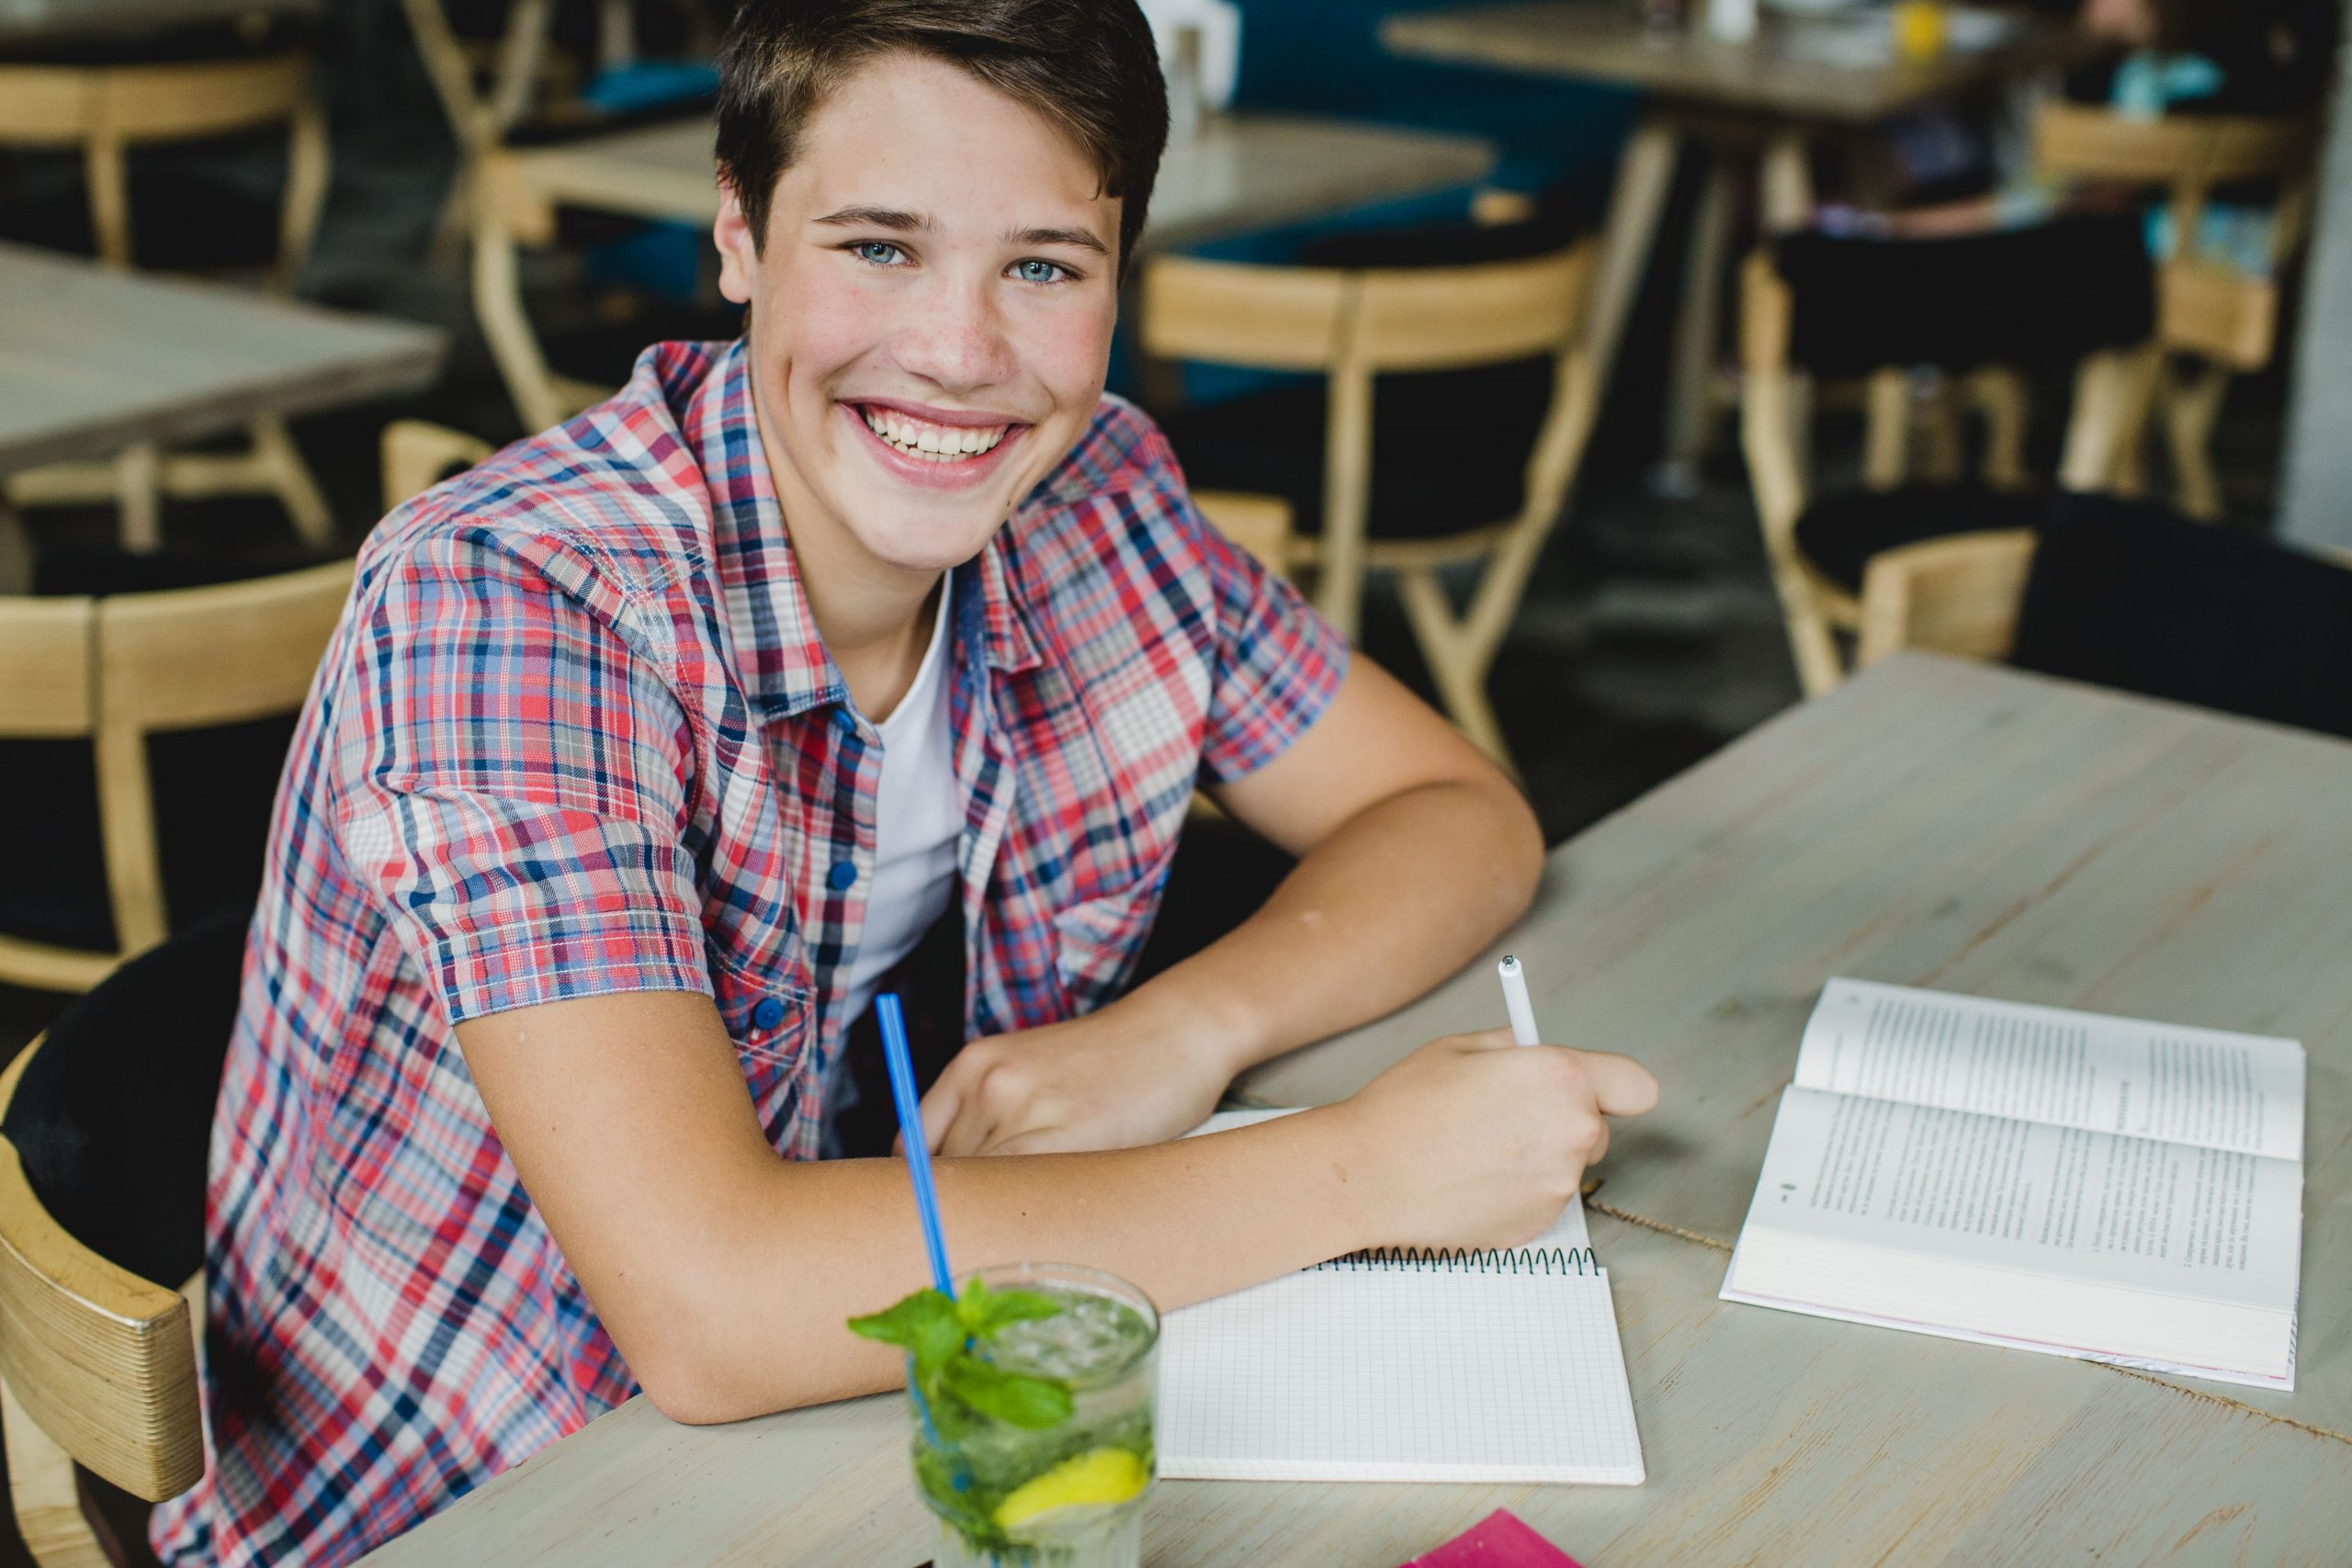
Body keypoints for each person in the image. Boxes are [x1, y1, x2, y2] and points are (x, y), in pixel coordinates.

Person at [153, 3, 1657, 1562]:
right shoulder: (516, 602)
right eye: (878, 246)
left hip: (866, 1412)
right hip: (474, 1489)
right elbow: (715, 1309)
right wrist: (1364, 1171)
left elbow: (1456, 815)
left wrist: (1179, 1033)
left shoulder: (1094, 492)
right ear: (738, 230)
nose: (958, 354)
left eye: (1044, 267)